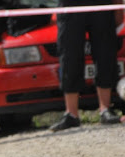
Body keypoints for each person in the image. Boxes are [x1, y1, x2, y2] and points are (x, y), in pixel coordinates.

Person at [49, 0, 122, 131]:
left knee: (105, 54)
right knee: (69, 56)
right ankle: (71, 114)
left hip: (101, 5)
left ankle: (105, 109)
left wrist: (119, 7)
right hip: (69, 6)